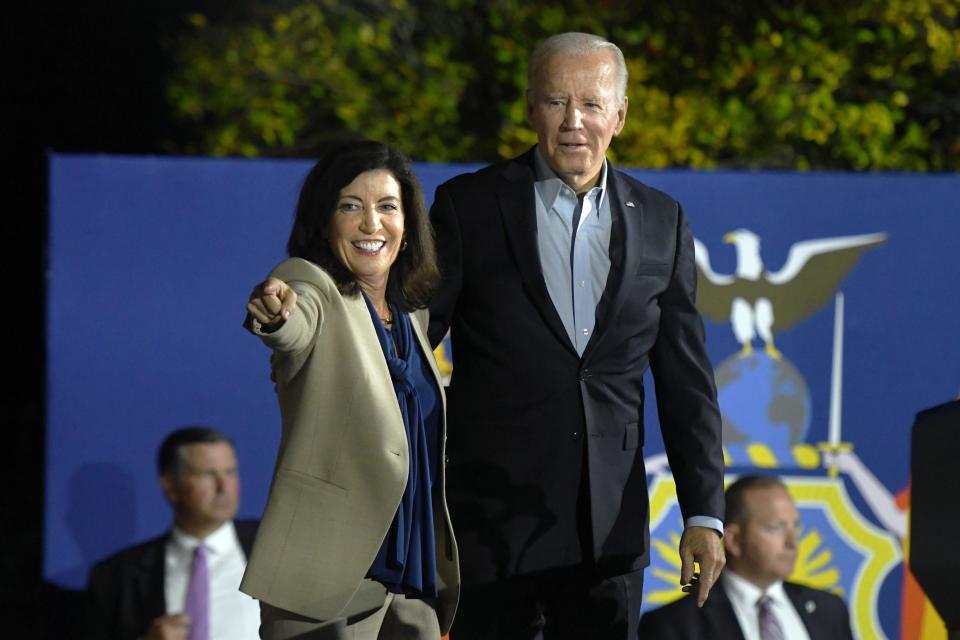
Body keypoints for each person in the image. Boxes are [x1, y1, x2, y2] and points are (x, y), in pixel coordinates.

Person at [427, 31, 725, 639]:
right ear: (531, 109)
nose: (573, 122)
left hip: (608, 531)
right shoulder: (468, 205)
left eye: (591, 104)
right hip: (491, 526)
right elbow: (409, 338)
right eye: (557, 102)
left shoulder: (663, 221)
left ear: (619, 115)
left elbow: (686, 382)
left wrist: (705, 513)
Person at [242, 140, 459, 639]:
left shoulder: (412, 319)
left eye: (387, 207)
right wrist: (275, 315)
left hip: (412, 587)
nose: (371, 224)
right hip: (323, 586)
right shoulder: (311, 285)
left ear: (407, 227)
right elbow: (294, 324)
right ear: (323, 221)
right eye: (350, 207)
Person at [83, 426, 260, 640]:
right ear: (170, 486)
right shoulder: (116, 577)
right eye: (207, 474)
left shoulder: (273, 548)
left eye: (230, 472)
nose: (223, 487)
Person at [638, 475, 854, 639]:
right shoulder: (675, 625)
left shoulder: (830, 611)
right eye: (776, 527)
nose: (792, 543)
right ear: (734, 540)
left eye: (795, 525)